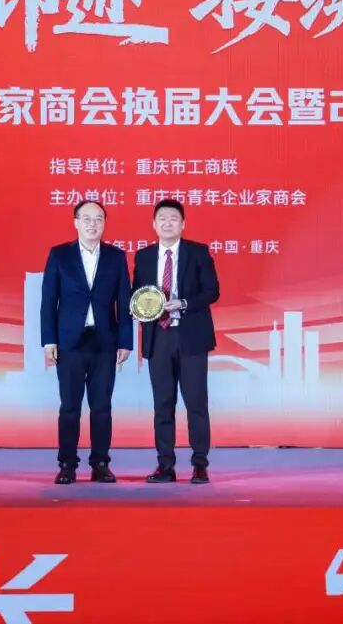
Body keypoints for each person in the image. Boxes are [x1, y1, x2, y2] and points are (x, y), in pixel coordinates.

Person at [40, 201, 132, 484]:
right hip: (69, 341)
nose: (93, 224)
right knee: (70, 406)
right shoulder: (60, 255)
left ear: (105, 223)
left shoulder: (116, 257)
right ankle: (67, 464)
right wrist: (49, 340)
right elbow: (48, 301)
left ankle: (100, 463)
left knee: (101, 406)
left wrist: (125, 341)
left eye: (99, 219)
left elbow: (124, 302)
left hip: (104, 341)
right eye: (87, 219)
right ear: (76, 222)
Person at [133, 199, 219, 484]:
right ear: (153, 224)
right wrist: (142, 307)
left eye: (173, 218)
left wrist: (182, 303)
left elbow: (212, 291)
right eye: (162, 218)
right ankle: (165, 466)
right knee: (163, 404)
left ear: (183, 224)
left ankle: (200, 465)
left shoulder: (198, 252)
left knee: (196, 403)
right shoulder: (144, 256)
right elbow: (136, 293)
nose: (167, 223)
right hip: (158, 337)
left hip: (191, 337)